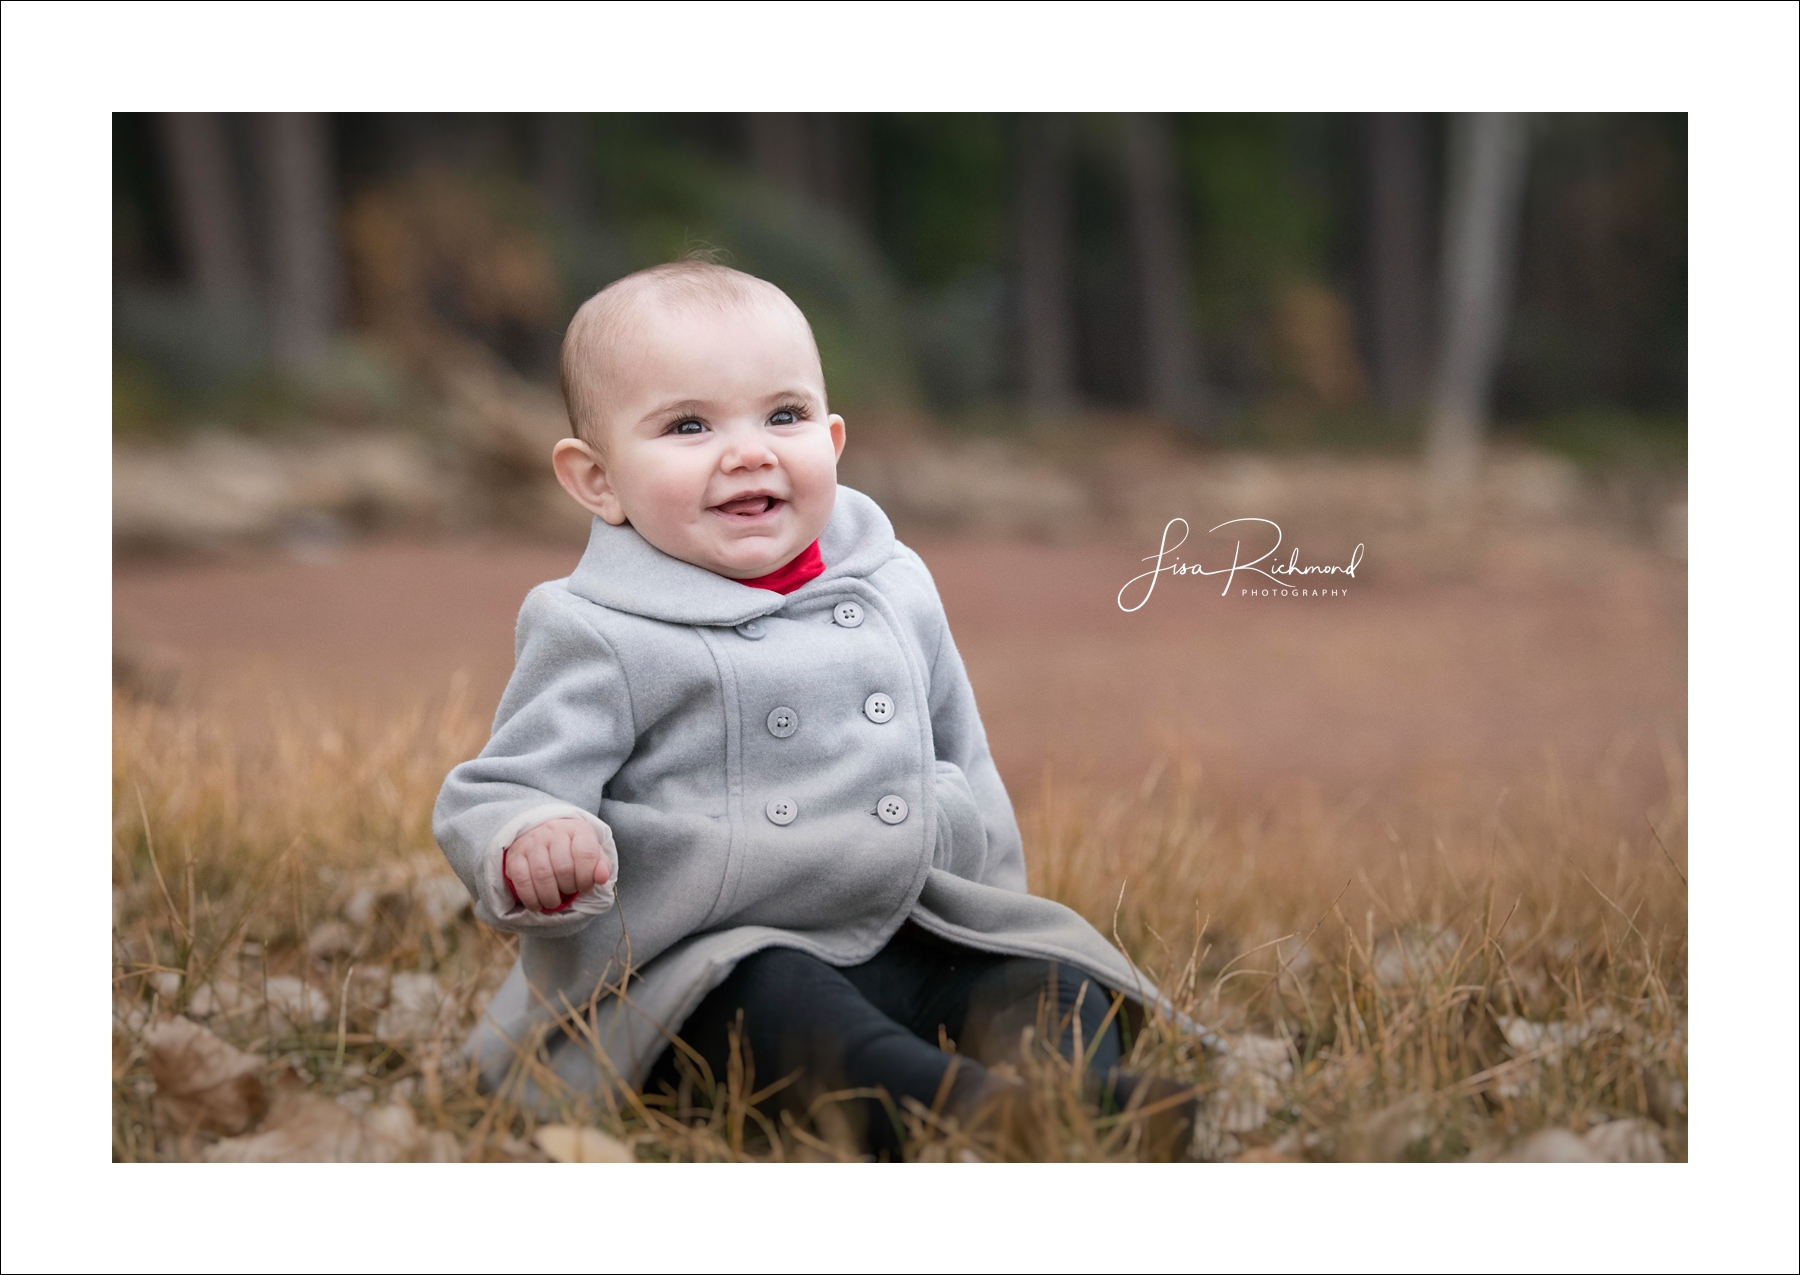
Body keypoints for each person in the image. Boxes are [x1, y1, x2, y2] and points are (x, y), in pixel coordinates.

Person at [433, 258, 1197, 1158]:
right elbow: (501, 787)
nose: (750, 449)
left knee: (1052, 972)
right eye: (688, 425)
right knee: (778, 1009)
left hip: (913, 917)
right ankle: (955, 1110)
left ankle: (1078, 1093)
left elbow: (961, 750)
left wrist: (994, 896)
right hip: (718, 949)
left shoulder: (891, 580)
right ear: (596, 479)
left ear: (832, 440)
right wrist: (534, 838)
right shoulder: (598, 627)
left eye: (783, 416)